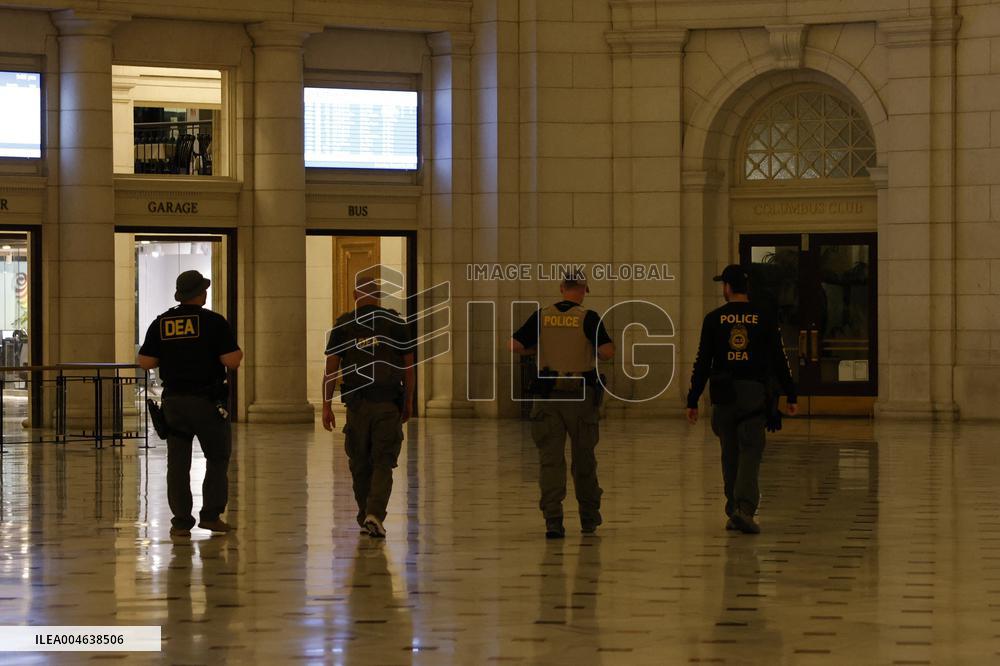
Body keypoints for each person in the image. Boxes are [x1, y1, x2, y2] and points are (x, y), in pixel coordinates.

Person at [685, 264, 797, 534]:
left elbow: (702, 362)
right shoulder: (764, 317)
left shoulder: (714, 319)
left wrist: (692, 399)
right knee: (750, 452)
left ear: (727, 288)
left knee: (729, 454)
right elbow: (778, 359)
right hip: (753, 394)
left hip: (723, 394)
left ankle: (734, 508)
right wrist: (790, 394)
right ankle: (744, 509)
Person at [138, 270, 242, 538]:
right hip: (207, 402)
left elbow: (146, 362)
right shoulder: (214, 322)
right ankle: (210, 516)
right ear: (201, 293)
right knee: (217, 458)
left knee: (178, 463)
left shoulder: (162, 322)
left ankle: (181, 521)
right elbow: (232, 361)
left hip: (174, 402)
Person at [509, 273, 615, 539]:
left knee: (550, 462)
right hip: (579, 397)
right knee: (584, 461)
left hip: (547, 398)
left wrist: (535, 351)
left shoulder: (542, 315)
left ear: (561, 288)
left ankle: (553, 520)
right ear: (583, 290)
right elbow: (607, 352)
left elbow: (513, 344)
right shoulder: (588, 317)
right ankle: (589, 518)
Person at [322, 272, 414, 539]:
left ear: (355, 296)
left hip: (357, 406)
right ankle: (373, 515)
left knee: (360, 463)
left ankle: (366, 515)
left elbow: (331, 370)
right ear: (379, 297)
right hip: (388, 403)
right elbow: (409, 368)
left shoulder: (343, 324)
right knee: (383, 462)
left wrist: (326, 406)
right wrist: (408, 401)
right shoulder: (396, 323)